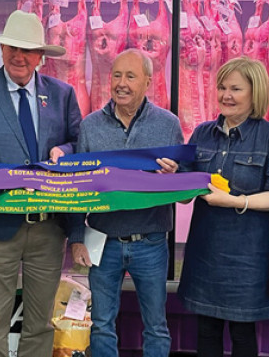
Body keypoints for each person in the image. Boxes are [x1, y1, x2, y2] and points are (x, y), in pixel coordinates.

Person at [0, 10, 81, 357]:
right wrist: (13, 179)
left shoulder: (62, 93)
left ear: (40, 56)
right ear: (2, 49)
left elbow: (78, 143)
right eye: (11, 47)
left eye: (27, 50)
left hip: (48, 227)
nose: (18, 56)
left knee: (39, 325)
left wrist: (63, 150)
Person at [69, 48, 182, 357]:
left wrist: (174, 174)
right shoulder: (90, 126)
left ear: (148, 81)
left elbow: (182, 182)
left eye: (130, 76)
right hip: (103, 242)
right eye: (116, 75)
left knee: (156, 325)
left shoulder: (168, 124)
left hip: (151, 242)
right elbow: (78, 186)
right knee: (102, 324)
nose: (121, 83)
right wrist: (77, 238)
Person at [177, 57, 269, 357]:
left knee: (243, 334)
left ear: (256, 93)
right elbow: (185, 194)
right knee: (206, 330)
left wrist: (235, 201)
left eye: (236, 89)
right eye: (222, 87)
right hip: (205, 252)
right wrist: (171, 179)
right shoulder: (202, 133)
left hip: (248, 257)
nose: (226, 95)